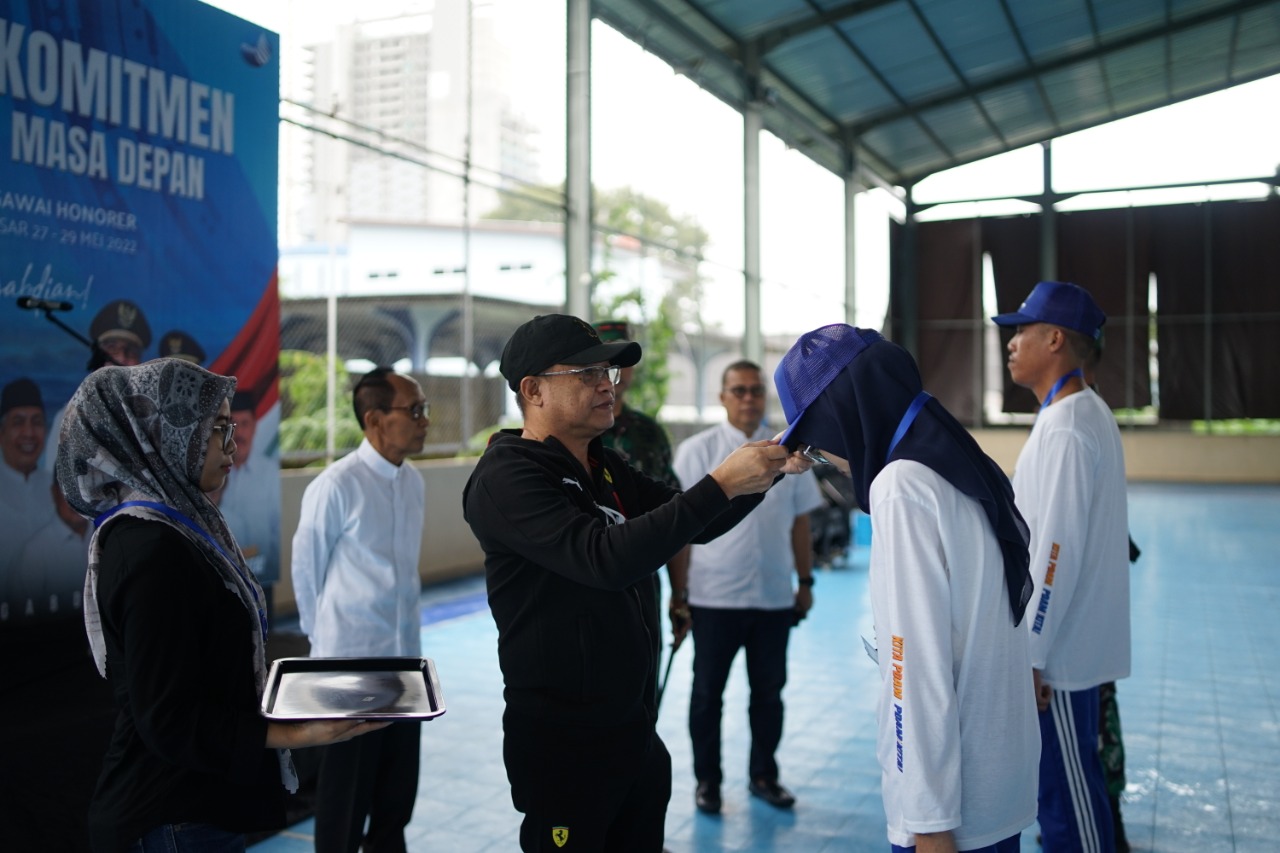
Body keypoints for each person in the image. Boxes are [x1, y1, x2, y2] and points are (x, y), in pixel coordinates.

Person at [461, 314, 806, 852]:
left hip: (630, 729)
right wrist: (720, 482)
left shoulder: (606, 467)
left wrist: (766, 470)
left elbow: (696, 523)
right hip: (564, 744)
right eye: (586, 373)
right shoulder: (508, 477)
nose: (606, 384)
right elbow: (605, 560)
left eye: (609, 373)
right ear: (533, 390)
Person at [54, 358, 386, 853]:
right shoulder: (150, 548)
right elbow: (167, 717)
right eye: (217, 430)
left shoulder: (183, 528)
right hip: (168, 817)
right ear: (164, 433)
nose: (232, 448)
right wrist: (292, 734)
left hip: (193, 805)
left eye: (231, 428)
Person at [774, 324, 1040, 853]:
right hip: (997, 776)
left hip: (952, 809)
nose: (826, 456)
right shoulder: (957, 459)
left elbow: (912, 665)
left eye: (817, 439)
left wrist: (928, 821)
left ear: (842, 418)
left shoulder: (901, 486)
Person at [993, 280, 1131, 853]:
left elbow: (1055, 554)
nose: (1011, 342)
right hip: (1062, 656)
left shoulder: (1071, 424)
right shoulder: (1069, 415)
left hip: (1063, 664)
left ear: (1054, 339)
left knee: (1071, 808)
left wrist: (1034, 654)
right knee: (1059, 800)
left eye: (1020, 331)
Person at [670, 359, 825, 814]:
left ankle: (763, 776)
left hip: (773, 596)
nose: (748, 398)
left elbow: (800, 525)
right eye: (738, 390)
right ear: (722, 398)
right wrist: (678, 595)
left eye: (756, 390)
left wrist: (804, 580)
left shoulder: (790, 454)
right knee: (706, 696)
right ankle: (708, 783)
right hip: (713, 598)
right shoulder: (697, 453)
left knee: (768, 694)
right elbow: (678, 531)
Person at [291, 367, 430, 853]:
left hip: (403, 664)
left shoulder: (412, 483)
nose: (424, 420)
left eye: (422, 409)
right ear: (374, 419)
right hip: (347, 666)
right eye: (413, 410)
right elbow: (306, 572)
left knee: (396, 801)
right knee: (343, 805)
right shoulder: (336, 486)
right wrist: (326, 648)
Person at [0, 378, 58, 606]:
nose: (29, 433)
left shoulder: (56, 491)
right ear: (2, 432)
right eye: (18, 422)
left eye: (37, 422)